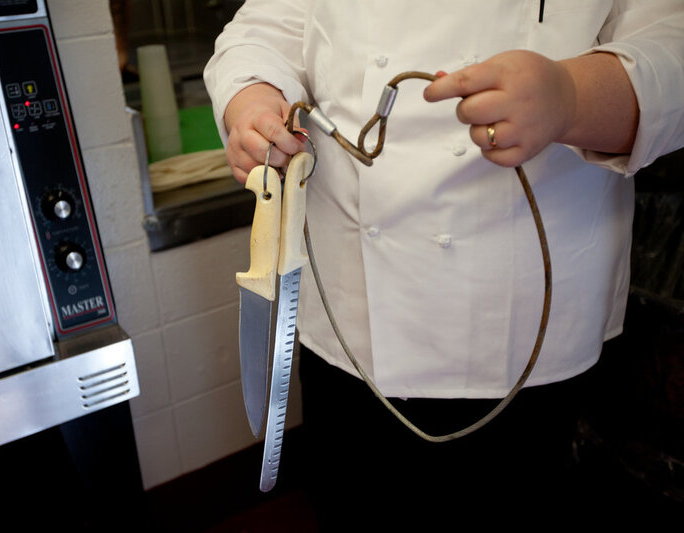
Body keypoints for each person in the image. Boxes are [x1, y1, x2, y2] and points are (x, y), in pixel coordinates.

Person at [204, 1, 684, 528]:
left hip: (529, 341)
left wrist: (572, 97)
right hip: (347, 325)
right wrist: (252, 98)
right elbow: (266, 26)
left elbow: (673, 47)